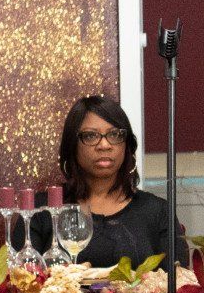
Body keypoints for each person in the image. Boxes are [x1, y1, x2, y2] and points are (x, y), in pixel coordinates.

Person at [35, 96, 180, 269]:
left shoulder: (157, 211)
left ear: (127, 146)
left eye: (114, 134)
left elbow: (180, 281)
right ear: (72, 145)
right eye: (90, 136)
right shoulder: (42, 210)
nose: (104, 145)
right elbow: (20, 279)